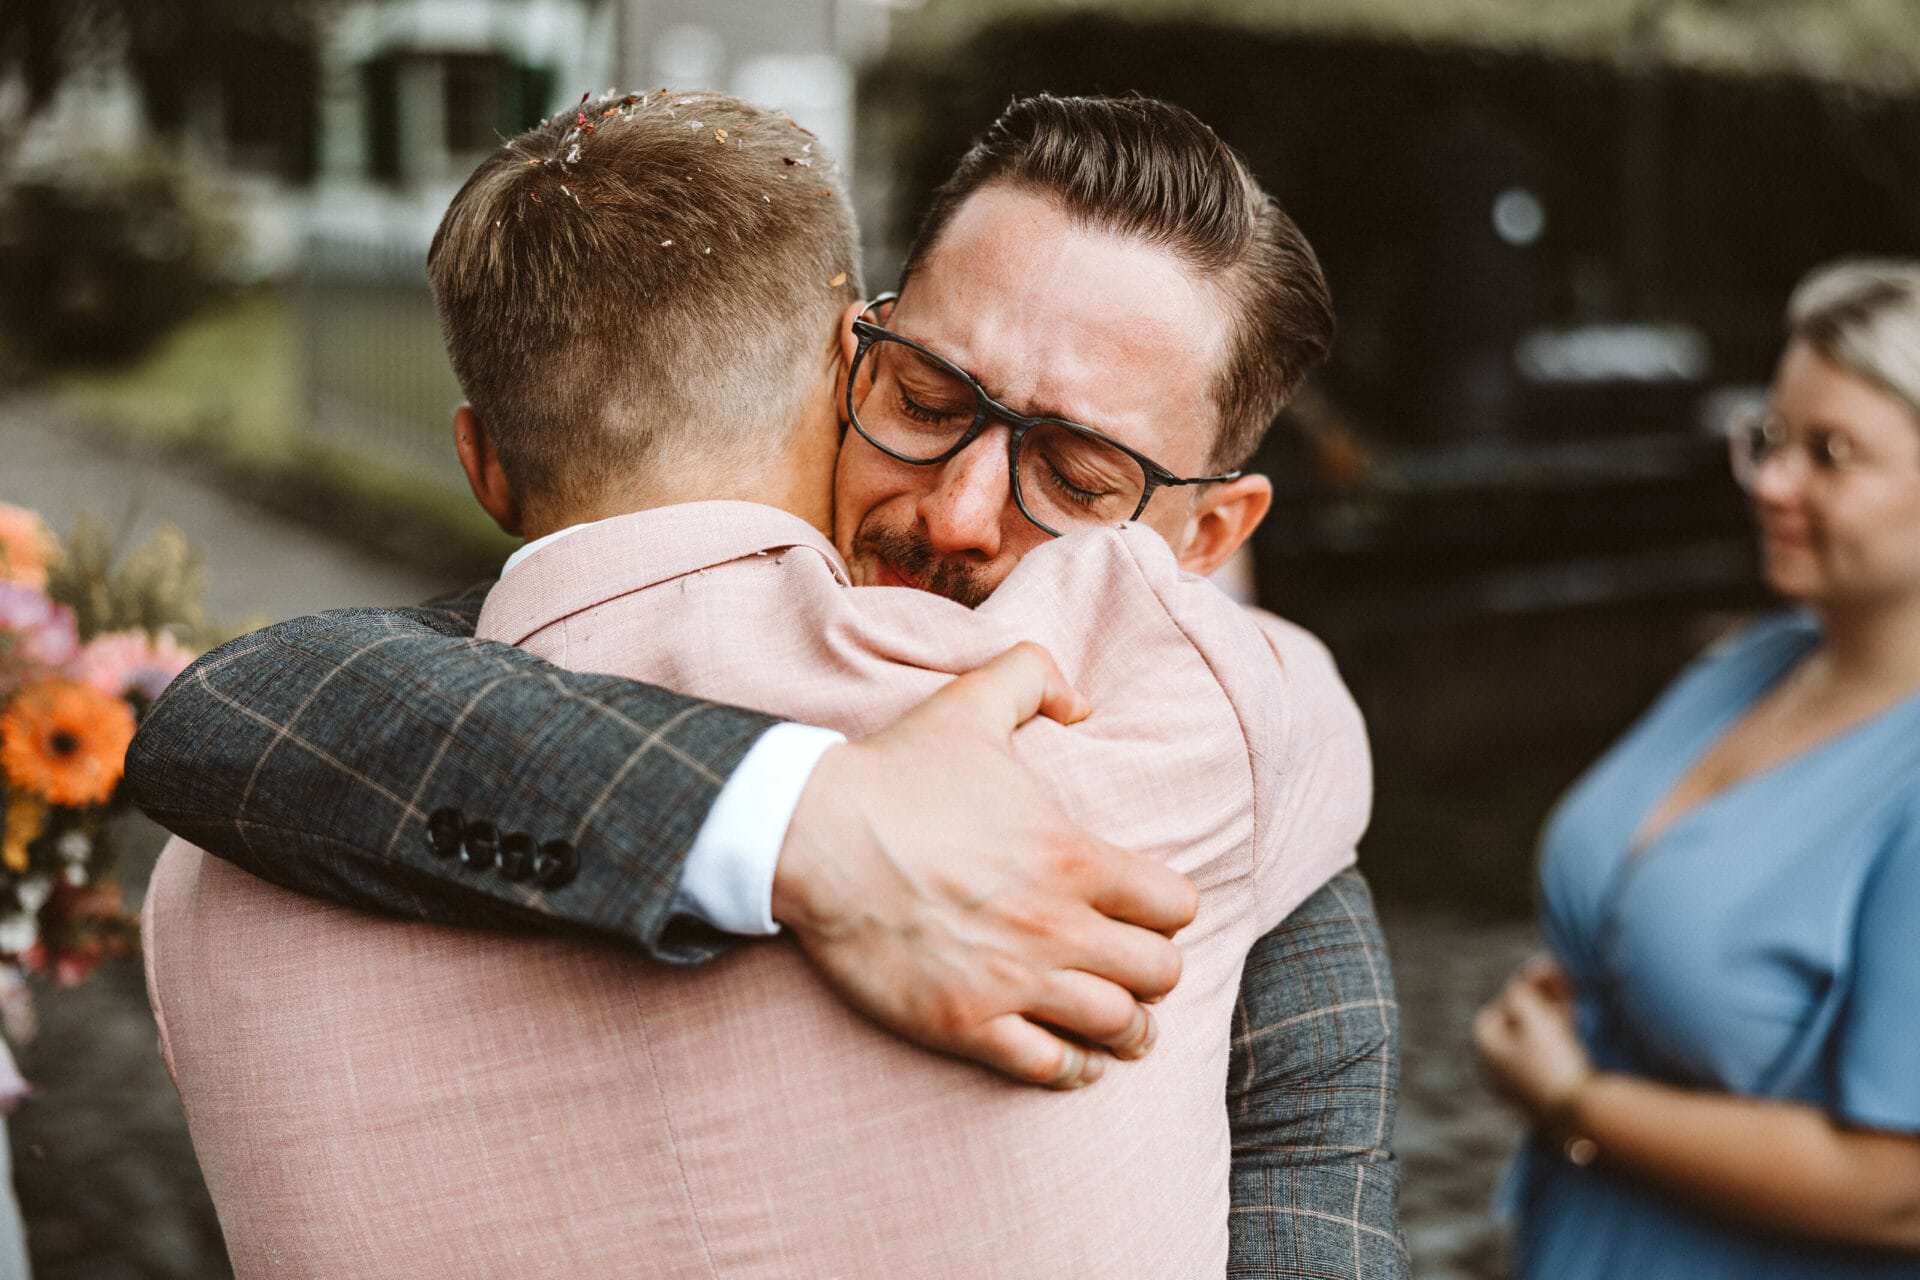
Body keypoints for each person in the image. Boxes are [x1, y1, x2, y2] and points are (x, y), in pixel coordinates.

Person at [132, 92, 1406, 1274]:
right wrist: (809, 819)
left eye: (1077, 478)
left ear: (1207, 537)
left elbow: (1314, 1208)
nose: (961, 513)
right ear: (849, 354)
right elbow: (238, 710)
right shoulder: (444, 687)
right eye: (925, 396)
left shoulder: (1224, 775)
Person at [1474, 259, 1920, 1278]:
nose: (1771, 481)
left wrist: (1577, 1102)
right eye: (1768, 437)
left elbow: (1901, 1188)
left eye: (1831, 453)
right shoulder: (1750, 661)